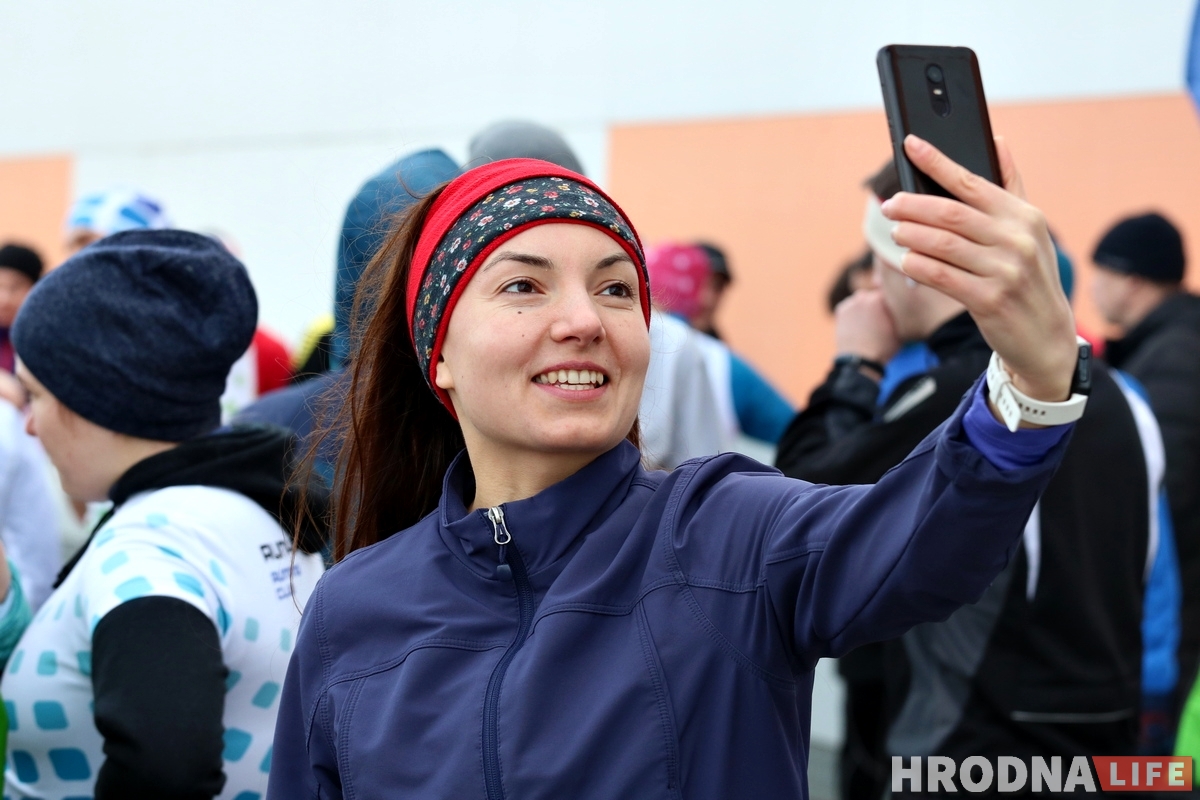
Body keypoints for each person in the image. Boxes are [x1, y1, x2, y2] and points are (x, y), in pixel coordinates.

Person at [267, 134, 1086, 798]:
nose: (585, 320)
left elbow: (924, 541)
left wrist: (1032, 379)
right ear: (437, 352)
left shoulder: (725, 533)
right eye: (524, 286)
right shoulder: (352, 610)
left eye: (618, 290)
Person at [775, 162, 1172, 796]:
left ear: (910, 269)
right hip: (1106, 743)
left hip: (970, 751)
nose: (870, 285)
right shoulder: (1126, 393)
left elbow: (797, 504)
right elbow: (1159, 583)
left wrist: (853, 366)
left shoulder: (957, 394)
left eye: (876, 262)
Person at [7, 230, 327, 799]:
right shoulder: (259, 507)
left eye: (35, 397)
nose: (29, 425)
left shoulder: (150, 548)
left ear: (96, 398)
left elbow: (166, 766)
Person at [1093, 211, 1200, 712]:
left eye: (1102, 273)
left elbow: (1161, 492)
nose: (1094, 287)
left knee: (1159, 775)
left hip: (1178, 619)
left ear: (1130, 280)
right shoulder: (1163, 347)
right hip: (1176, 615)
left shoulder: (1174, 357)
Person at [646, 242, 795, 445]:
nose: (706, 299)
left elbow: (795, 430)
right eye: (695, 284)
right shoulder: (719, 360)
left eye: (717, 287)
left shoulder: (722, 363)